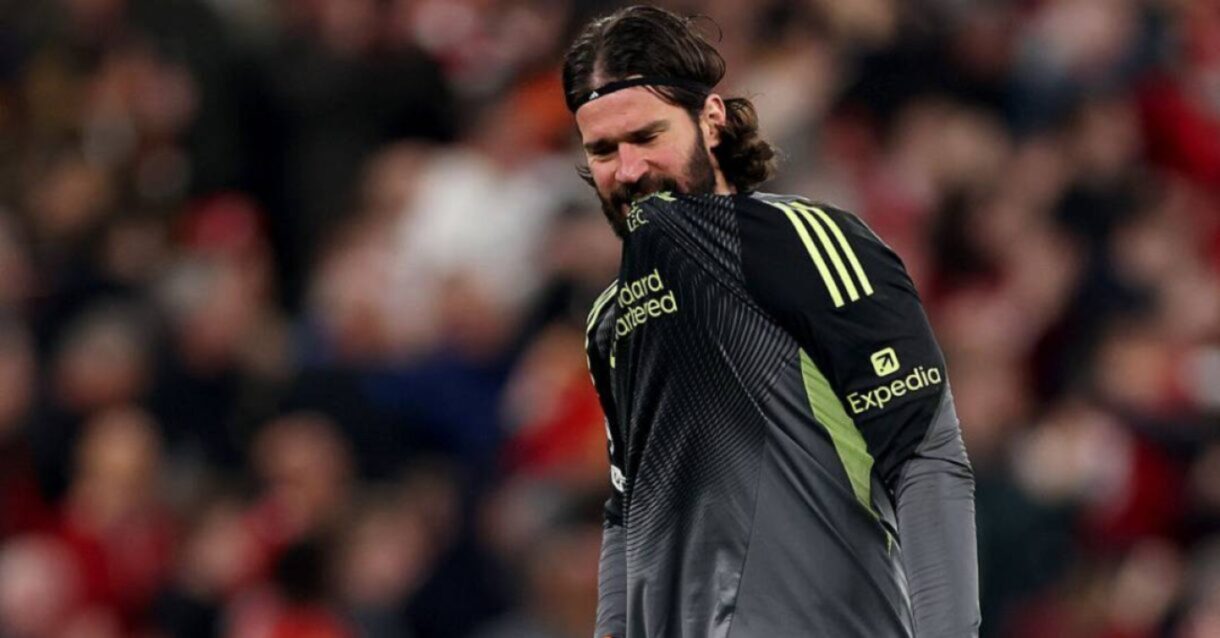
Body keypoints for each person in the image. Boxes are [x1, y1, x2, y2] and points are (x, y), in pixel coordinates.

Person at [562, 6, 979, 638]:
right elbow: (626, 516)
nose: (628, 171)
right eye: (602, 150)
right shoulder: (609, 323)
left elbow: (925, 456)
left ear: (711, 120)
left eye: (646, 137)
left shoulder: (808, 243)